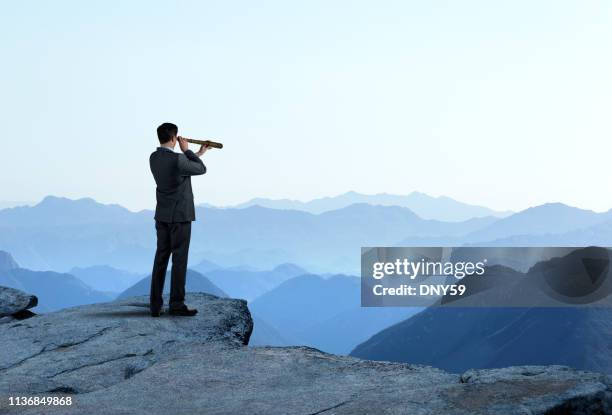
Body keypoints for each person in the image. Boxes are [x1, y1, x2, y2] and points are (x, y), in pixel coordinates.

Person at [149, 122, 209, 317]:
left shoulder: (153, 158)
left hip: (162, 216)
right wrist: (188, 151)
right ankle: (176, 304)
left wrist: (197, 153)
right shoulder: (178, 159)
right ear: (174, 138)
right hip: (181, 217)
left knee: (161, 259)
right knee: (179, 260)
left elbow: (182, 167)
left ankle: (155, 305)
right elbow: (201, 169)